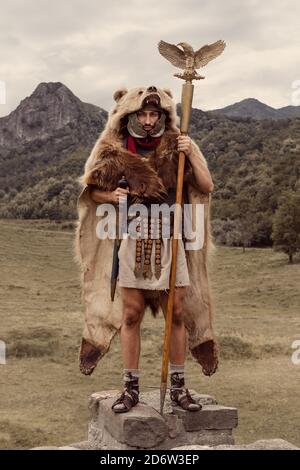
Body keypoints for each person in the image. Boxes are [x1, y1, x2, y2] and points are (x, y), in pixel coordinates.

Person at [74, 85, 218, 414]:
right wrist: (111, 197)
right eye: (143, 114)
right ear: (132, 115)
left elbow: (206, 186)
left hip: (171, 239)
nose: (149, 120)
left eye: (155, 114)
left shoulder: (178, 145)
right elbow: (92, 190)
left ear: (163, 116)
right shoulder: (117, 148)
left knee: (177, 315)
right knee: (130, 315)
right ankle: (130, 389)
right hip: (132, 241)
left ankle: (179, 388)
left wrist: (191, 151)